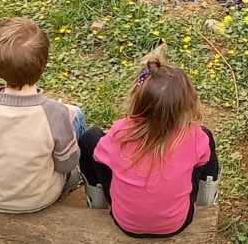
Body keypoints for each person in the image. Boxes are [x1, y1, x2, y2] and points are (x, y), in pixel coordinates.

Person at [79, 55, 220, 238]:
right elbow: (200, 159)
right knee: (205, 142)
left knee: (90, 137)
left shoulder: (120, 132)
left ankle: (95, 201)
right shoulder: (195, 135)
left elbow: (99, 156)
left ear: (138, 99)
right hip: (177, 222)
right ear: (187, 105)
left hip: (125, 222)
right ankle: (208, 200)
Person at [0, 18, 85, 214]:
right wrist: (65, 120)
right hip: (40, 198)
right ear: (43, 66)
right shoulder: (54, 113)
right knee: (76, 114)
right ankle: (76, 184)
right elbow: (67, 164)